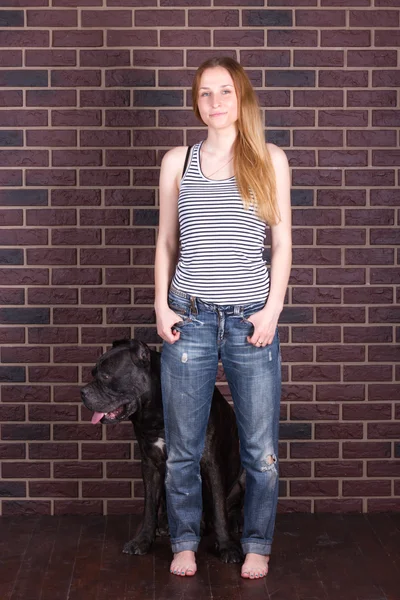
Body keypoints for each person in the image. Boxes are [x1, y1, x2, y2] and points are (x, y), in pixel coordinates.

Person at [154, 56, 292, 580]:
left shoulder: (269, 159)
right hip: (189, 319)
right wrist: (162, 304)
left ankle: (257, 543)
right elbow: (167, 241)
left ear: (242, 99)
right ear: (196, 102)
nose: (215, 102)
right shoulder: (177, 161)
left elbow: (281, 246)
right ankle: (185, 540)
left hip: (249, 322)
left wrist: (272, 309)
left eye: (225, 92)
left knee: (259, 450)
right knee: (183, 447)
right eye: (206, 93)